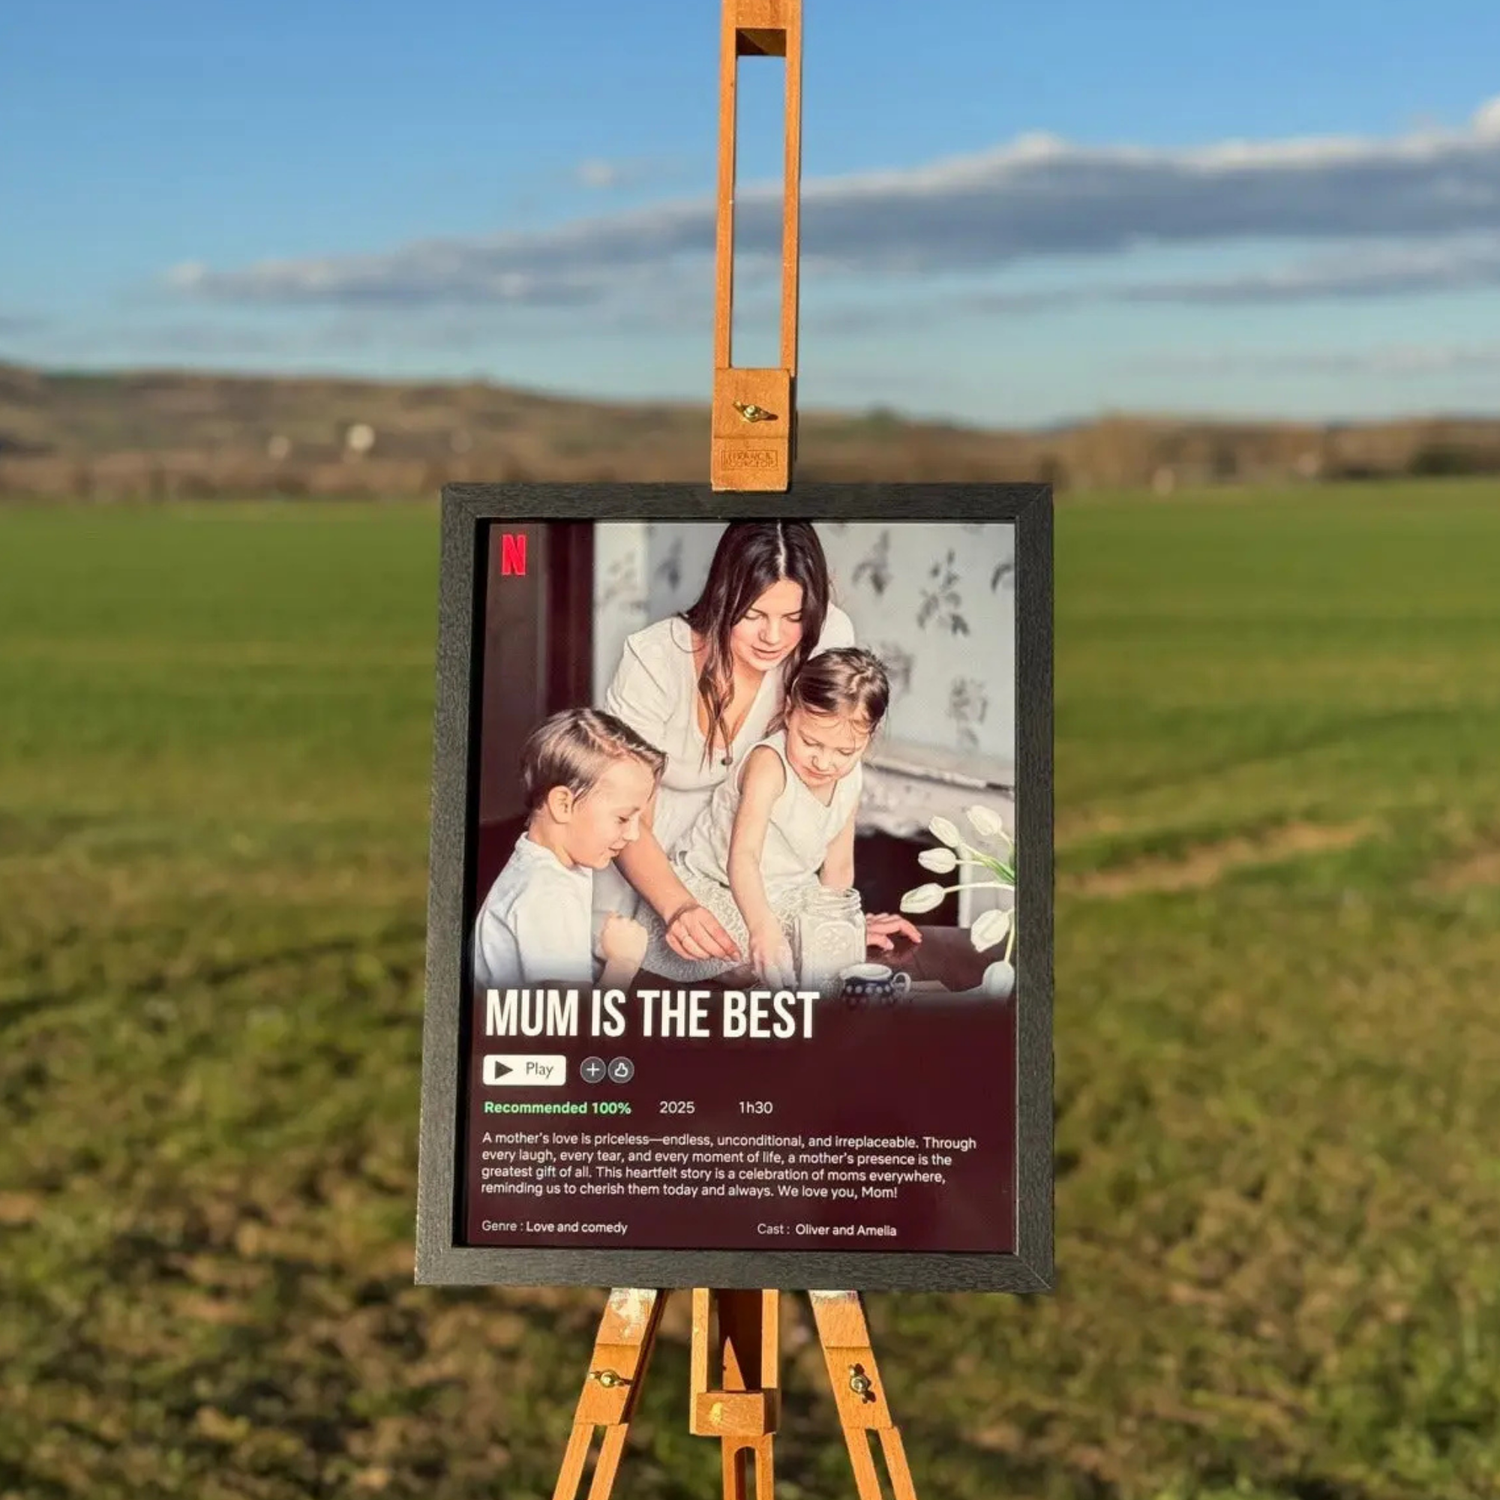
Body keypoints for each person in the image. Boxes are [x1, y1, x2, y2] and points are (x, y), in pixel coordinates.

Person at [595, 521, 916, 968]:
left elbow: (836, 738)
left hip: (758, 883)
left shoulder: (822, 636)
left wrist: (833, 921)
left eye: (793, 617)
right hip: (648, 868)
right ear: (724, 598)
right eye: (753, 615)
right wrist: (680, 906)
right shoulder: (655, 661)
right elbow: (621, 814)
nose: (774, 637)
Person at [638, 647, 922, 985]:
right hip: (721, 887)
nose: (824, 762)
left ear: (868, 737)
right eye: (810, 742)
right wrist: (763, 929)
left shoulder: (852, 776)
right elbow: (743, 858)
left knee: (824, 952)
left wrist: (837, 926)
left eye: (844, 751)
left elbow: (838, 866)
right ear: (790, 712)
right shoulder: (769, 765)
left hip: (789, 894)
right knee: (754, 954)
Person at [473, 708, 664, 991]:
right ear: (563, 804)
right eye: (623, 818)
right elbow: (574, 1026)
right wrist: (623, 962)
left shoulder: (544, 864)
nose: (634, 834)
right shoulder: (547, 894)